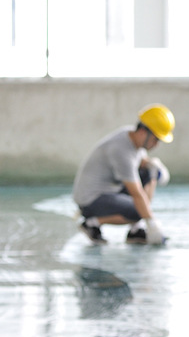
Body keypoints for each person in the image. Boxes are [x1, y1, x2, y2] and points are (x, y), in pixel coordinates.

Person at [73, 105, 175, 246]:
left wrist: (155, 167)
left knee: (147, 173)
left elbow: (143, 163)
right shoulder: (121, 151)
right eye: (156, 139)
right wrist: (152, 224)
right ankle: (91, 223)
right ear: (143, 132)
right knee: (138, 210)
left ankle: (135, 231)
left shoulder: (131, 136)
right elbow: (136, 193)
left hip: (109, 191)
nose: (156, 145)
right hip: (91, 200)